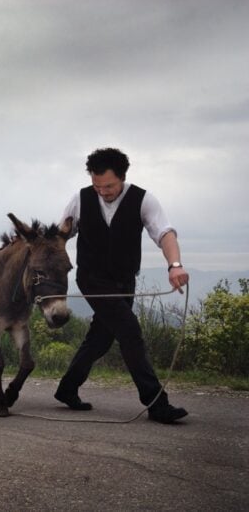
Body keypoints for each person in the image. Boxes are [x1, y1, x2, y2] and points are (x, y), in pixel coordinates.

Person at [53, 147, 189, 424]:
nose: (102, 191)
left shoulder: (143, 199)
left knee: (100, 339)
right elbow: (60, 235)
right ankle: (156, 403)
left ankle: (67, 389)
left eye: (109, 186)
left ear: (123, 178)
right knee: (130, 331)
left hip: (124, 281)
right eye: (97, 185)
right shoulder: (80, 199)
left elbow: (165, 234)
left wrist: (175, 266)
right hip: (92, 279)